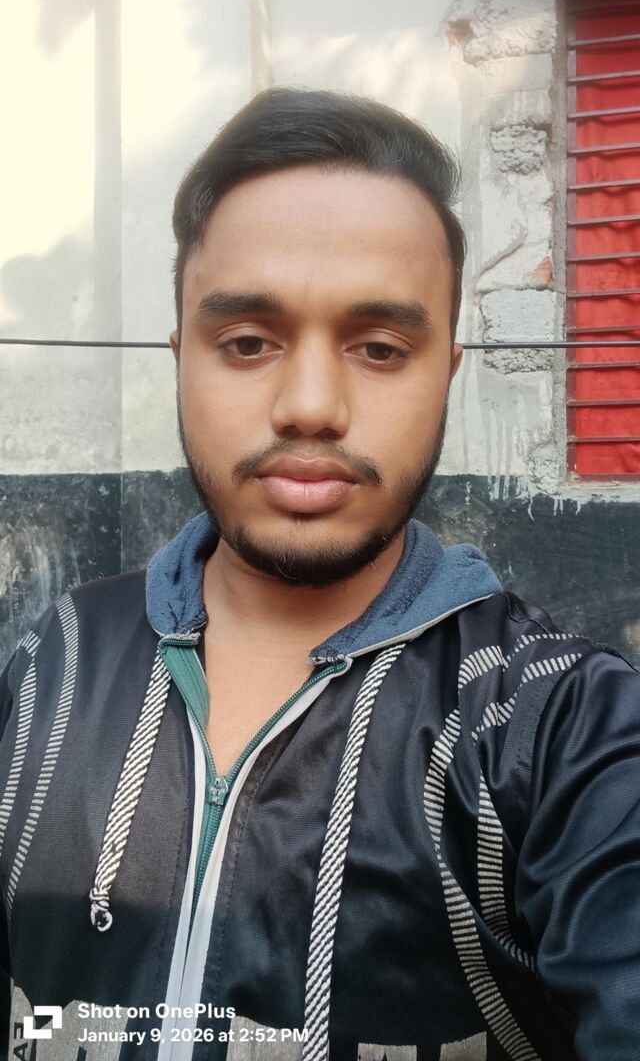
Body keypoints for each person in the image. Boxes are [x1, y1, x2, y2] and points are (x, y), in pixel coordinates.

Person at [0, 88, 638, 1061]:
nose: (309, 404)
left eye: (380, 347)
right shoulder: (52, 659)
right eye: (247, 342)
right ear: (180, 358)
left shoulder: (561, 725)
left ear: (447, 370)